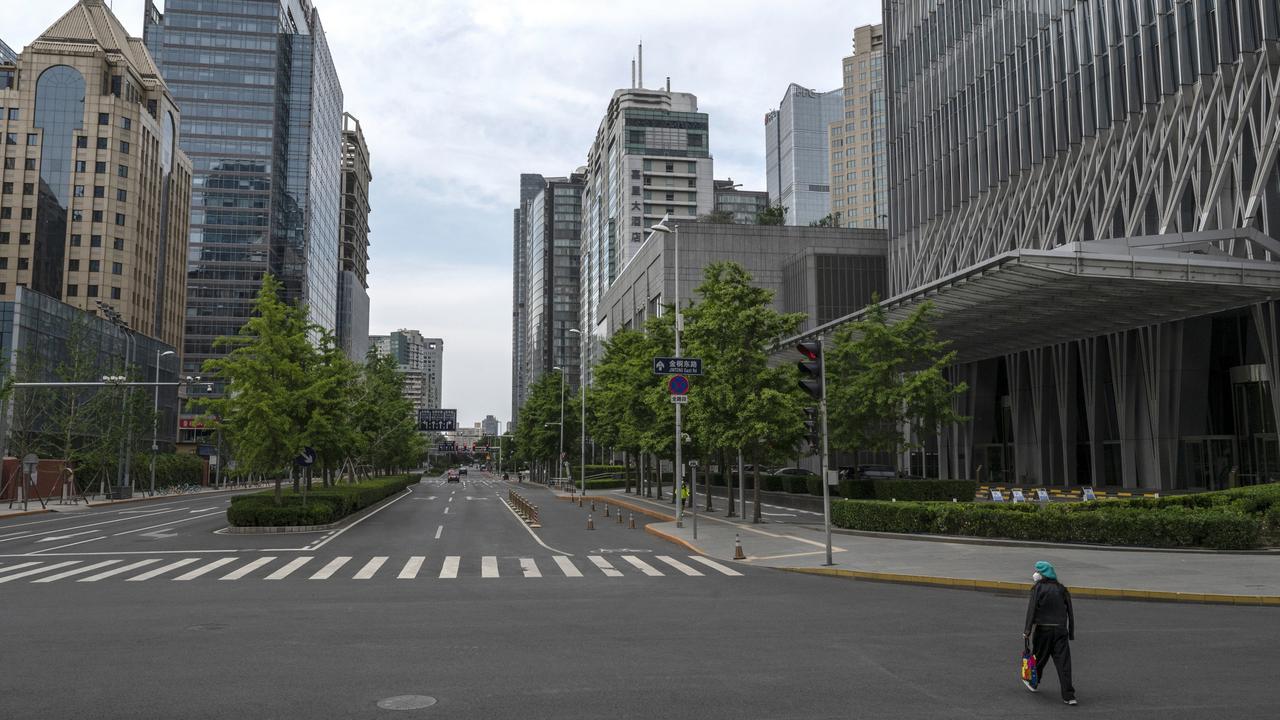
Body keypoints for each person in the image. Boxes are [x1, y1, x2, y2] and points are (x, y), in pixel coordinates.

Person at [1023, 560, 1076, 705]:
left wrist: (1027, 630)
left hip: (1043, 629)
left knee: (1039, 659)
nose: (1035, 574)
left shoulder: (1037, 588)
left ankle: (1034, 683)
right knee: (1064, 663)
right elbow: (1070, 612)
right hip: (1060, 630)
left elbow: (1031, 610)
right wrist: (1070, 632)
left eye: (1037, 572)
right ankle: (1069, 696)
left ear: (1042, 574)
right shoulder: (1062, 589)